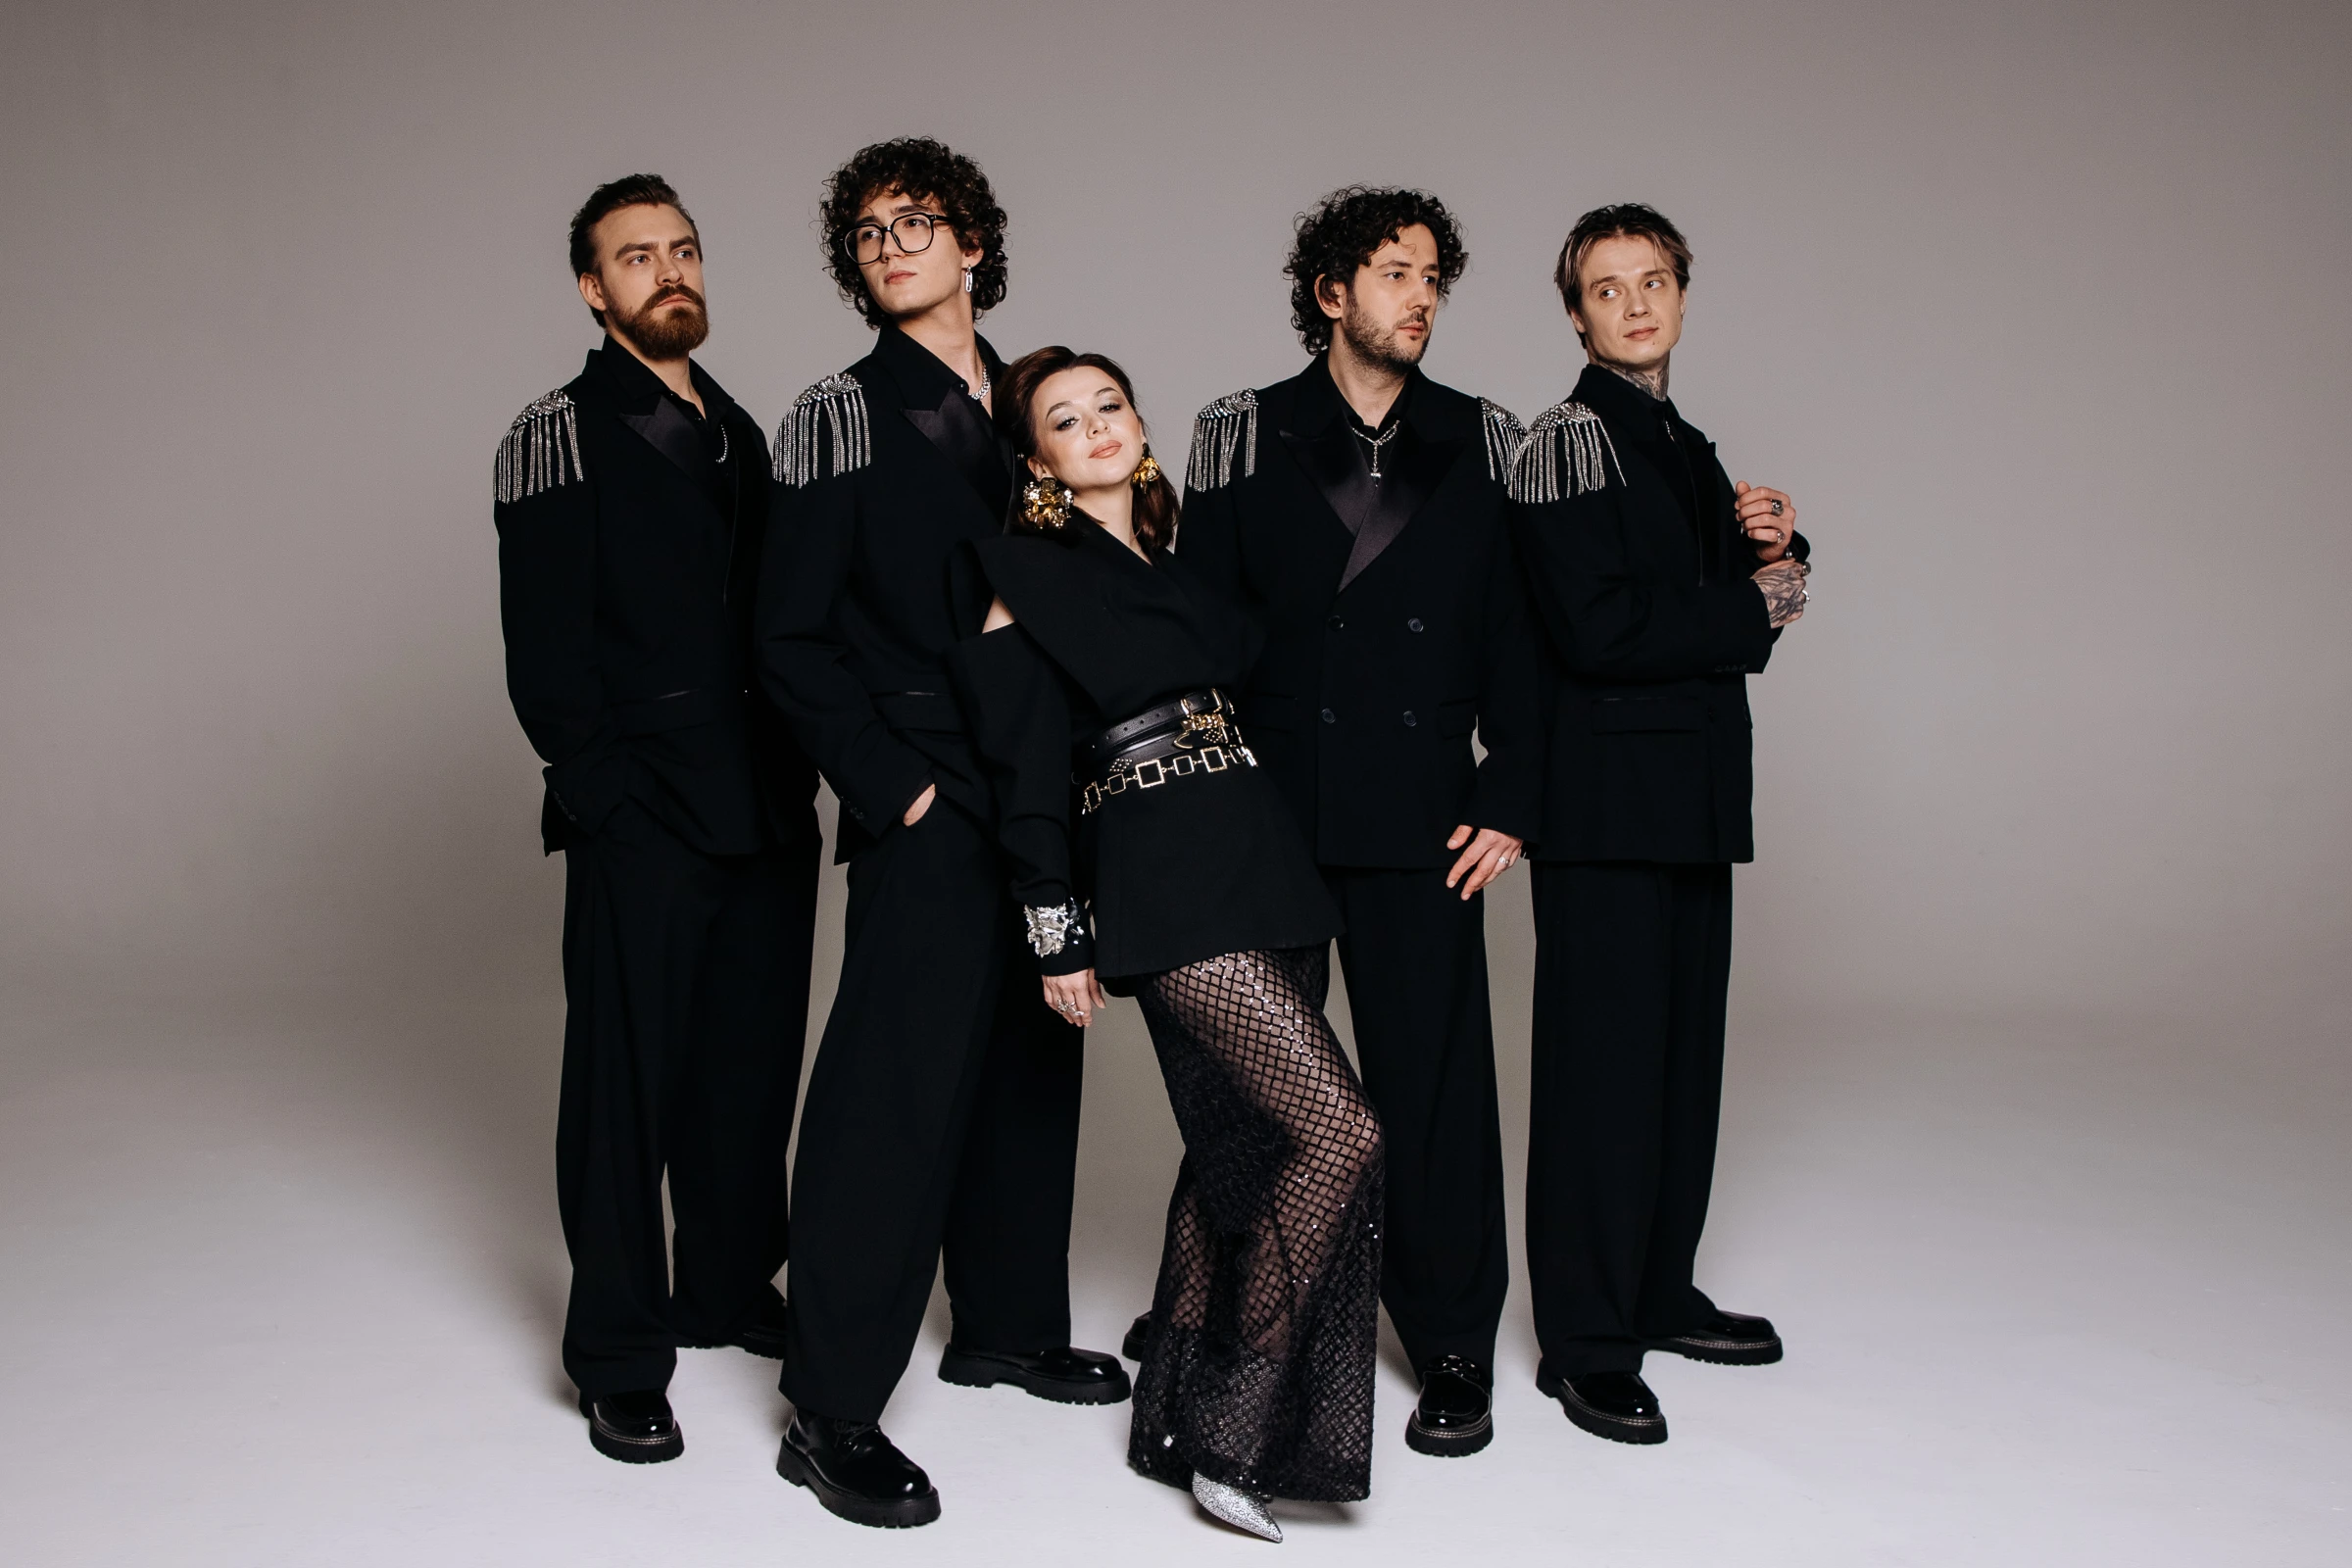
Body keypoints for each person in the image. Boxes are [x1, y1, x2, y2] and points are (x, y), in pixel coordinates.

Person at [950, 347, 1382, 1543]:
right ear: (1037, 460)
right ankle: (1237, 1433)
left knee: (1236, 1145)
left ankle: (1176, 1417)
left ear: (1140, 425)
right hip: (1160, 881)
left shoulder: (1184, 567)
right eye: (1065, 419)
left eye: (1111, 405)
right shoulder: (1020, 572)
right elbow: (1024, 773)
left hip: (1263, 860)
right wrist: (1055, 929)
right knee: (1341, 1132)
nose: (1097, 426)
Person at [756, 140, 1121, 1531]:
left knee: (1032, 1058)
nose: (891, 244)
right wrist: (890, 786)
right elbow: (786, 637)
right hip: (927, 788)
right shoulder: (834, 417)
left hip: (1050, 784)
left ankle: (1007, 1330)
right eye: (867, 232)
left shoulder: (1040, 401)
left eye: (918, 221)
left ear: (974, 242)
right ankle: (830, 1406)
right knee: (892, 1091)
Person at [1174, 186, 1542, 1456]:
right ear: (1332, 293)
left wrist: (1511, 791)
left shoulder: (1487, 439)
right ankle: (1229, 1315)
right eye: (1394, 272)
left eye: (1433, 275)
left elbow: (1524, 634)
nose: (1420, 295)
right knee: (1257, 1090)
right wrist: (1202, 802)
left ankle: (1452, 1344)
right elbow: (1199, 628)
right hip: (1270, 805)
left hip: (1423, 810)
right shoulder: (1241, 431)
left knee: (1434, 1086)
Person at [492, 174, 822, 1465]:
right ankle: (620, 1354)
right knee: (624, 1091)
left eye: (682, 249)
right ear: (593, 288)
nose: (668, 270)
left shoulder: (741, 429)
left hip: (765, 806)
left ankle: (725, 1288)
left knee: (748, 1068)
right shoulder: (556, 434)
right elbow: (545, 655)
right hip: (644, 816)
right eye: (637, 256)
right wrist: (612, 802)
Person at [1505, 203, 1811, 1446]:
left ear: (1682, 295)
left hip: (1692, 796)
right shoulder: (1563, 445)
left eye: (1653, 282)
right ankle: (1585, 1339)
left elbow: (1713, 600)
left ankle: (1656, 1288)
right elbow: (1599, 631)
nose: (1634, 305)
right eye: (1606, 288)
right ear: (1575, 316)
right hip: (1604, 809)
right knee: (1602, 1080)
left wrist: (1775, 548)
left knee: (1682, 1066)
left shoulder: (1682, 440)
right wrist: (1762, 600)